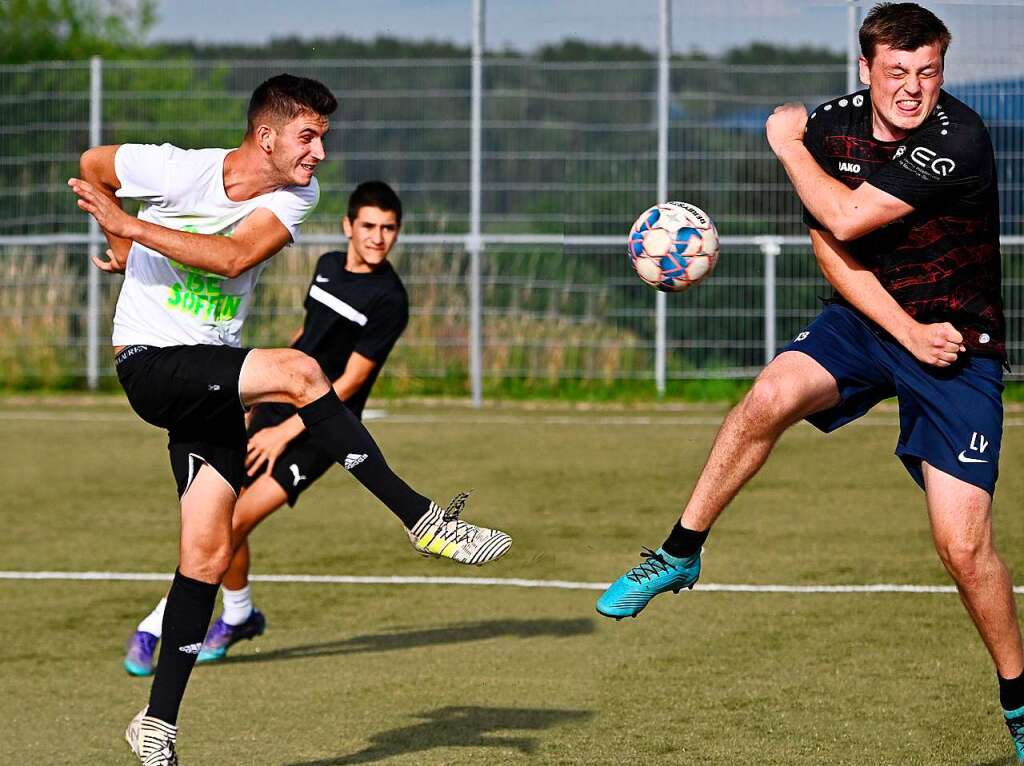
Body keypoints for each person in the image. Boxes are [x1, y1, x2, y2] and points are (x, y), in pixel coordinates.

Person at [596, 3, 1022, 759]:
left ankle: (1020, 703)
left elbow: (850, 215)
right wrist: (902, 332)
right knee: (767, 397)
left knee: (962, 547)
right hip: (870, 319)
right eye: (896, 73)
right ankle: (679, 551)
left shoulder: (957, 137)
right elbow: (832, 251)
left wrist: (783, 145)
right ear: (866, 70)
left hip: (958, 343)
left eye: (928, 72)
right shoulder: (835, 128)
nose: (913, 89)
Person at [70, 75, 511, 766]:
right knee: (303, 373)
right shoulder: (174, 169)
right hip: (151, 364)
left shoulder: (293, 195)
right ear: (267, 135)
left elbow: (235, 256)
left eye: (323, 140)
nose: (319, 156)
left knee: (207, 556)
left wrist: (131, 228)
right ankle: (424, 520)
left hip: (207, 380)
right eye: (308, 138)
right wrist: (118, 234)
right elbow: (95, 167)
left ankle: (155, 725)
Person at [122, 180, 421, 674]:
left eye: (388, 229)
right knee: (223, 510)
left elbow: (350, 379)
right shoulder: (326, 267)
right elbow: (305, 339)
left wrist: (287, 432)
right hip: (279, 402)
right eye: (368, 225)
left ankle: (157, 624)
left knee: (233, 522)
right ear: (349, 226)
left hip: (324, 428)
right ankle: (239, 615)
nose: (377, 237)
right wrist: (257, 401)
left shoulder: (390, 299)